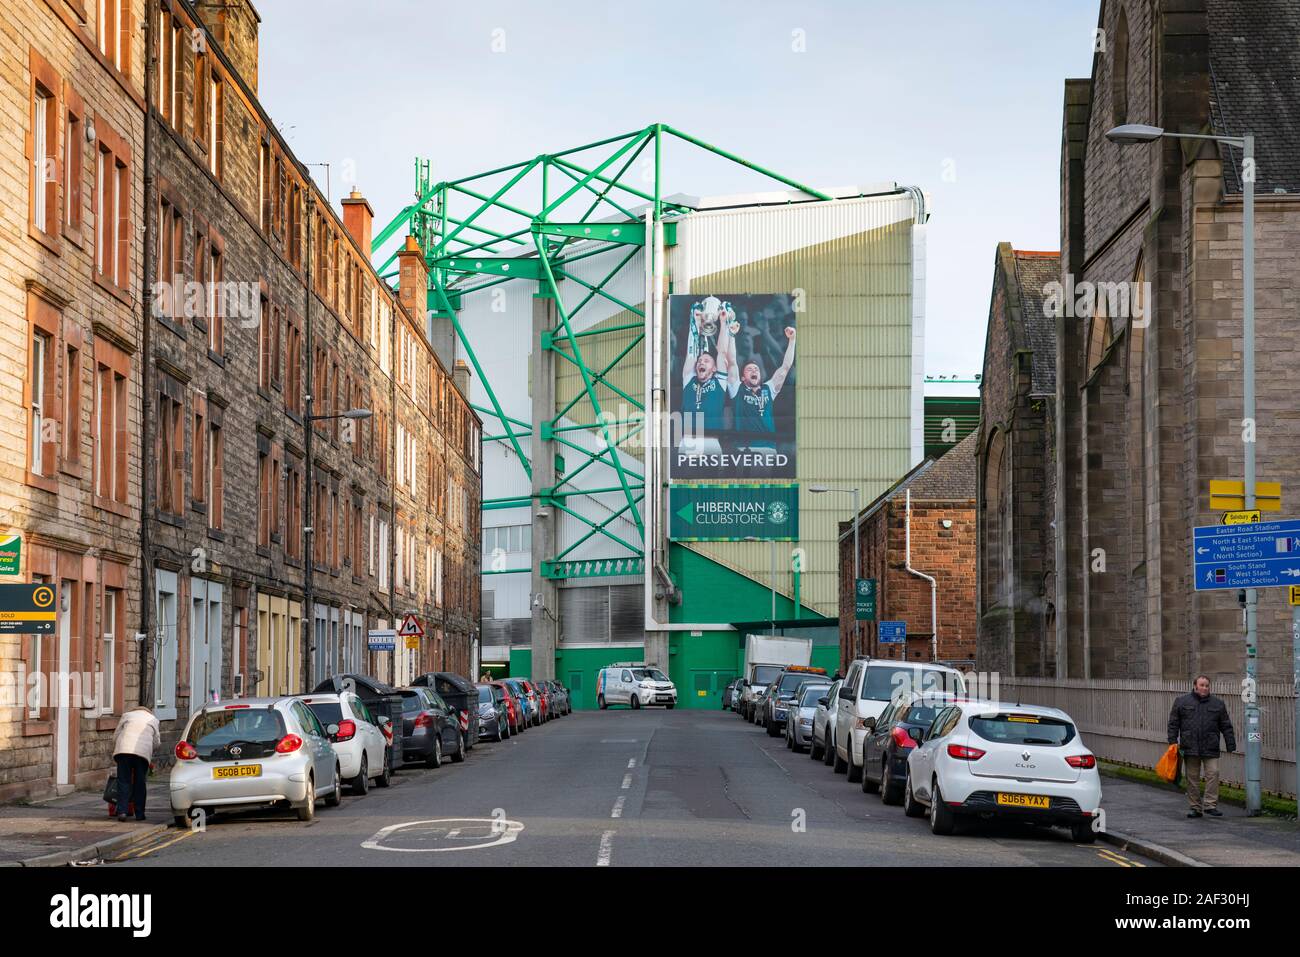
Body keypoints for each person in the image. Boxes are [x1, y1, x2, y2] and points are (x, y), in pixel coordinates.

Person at [1167, 675, 1236, 818]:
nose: (1204, 688)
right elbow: (1173, 723)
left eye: (1207, 685)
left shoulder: (1218, 704)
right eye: (1202, 685)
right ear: (1195, 686)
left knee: (1213, 773)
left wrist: (1230, 744)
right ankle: (1195, 808)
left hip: (1210, 746)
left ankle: (1210, 805)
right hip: (1190, 745)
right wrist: (1172, 741)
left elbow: (1226, 725)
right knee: (1192, 778)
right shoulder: (1182, 701)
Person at [732, 326, 796, 439]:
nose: (754, 370)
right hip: (744, 448)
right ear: (742, 377)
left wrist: (792, 340)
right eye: (749, 369)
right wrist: (731, 335)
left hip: (768, 448)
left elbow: (785, 367)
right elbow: (732, 362)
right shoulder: (737, 389)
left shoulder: (768, 389)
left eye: (756, 369)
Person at [112, 705, 160, 822]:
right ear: (148, 712)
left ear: (135, 710)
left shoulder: (127, 716)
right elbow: (157, 742)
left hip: (123, 751)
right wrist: (150, 749)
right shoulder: (153, 720)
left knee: (123, 781)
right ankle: (139, 814)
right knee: (140, 783)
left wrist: (117, 746)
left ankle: (122, 812)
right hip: (142, 754)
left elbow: (116, 735)